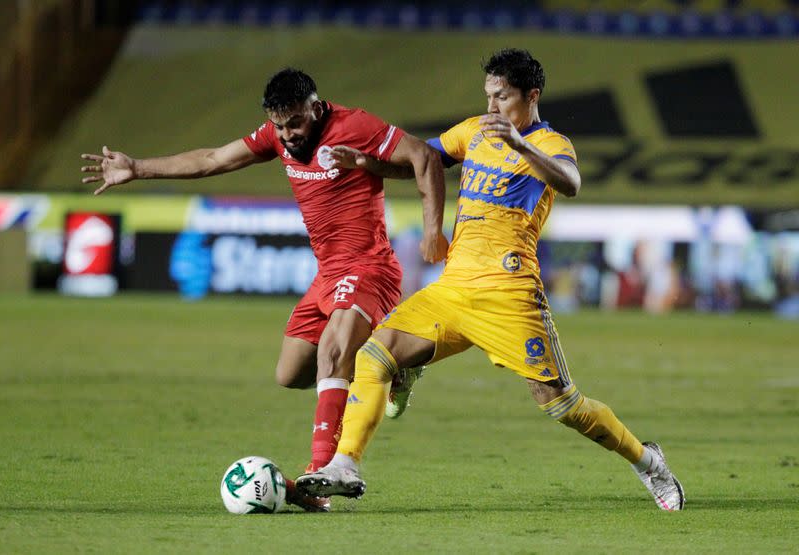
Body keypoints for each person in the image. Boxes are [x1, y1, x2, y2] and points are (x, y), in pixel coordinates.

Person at [296, 49, 685, 511]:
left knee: (559, 403)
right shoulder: (474, 131)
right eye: (488, 96)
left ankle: (647, 461)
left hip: (510, 293)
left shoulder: (552, 144)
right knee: (374, 354)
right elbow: (421, 161)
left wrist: (521, 145)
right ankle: (345, 464)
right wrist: (366, 163)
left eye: (502, 96)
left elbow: (571, 183)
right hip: (454, 286)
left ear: (531, 95)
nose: (492, 107)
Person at [80, 68, 448, 512]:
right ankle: (395, 361)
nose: (287, 134)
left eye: (295, 122)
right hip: (326, 273)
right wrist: (138, 168)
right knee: (291, 373)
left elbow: (423, 158)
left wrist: (432, 231)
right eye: (279, 125)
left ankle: (322, 475)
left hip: (369, 267)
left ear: (315, 108)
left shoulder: (355, 125)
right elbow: (214, 159)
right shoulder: (277, 137)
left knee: (333, 353)